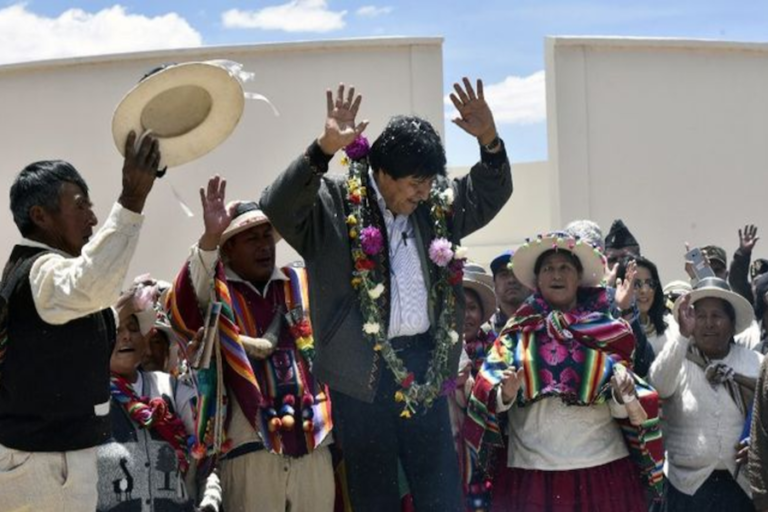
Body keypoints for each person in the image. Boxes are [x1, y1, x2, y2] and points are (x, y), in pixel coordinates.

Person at [260, 78, 512, 512]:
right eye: (415, 182)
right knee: (375, 498)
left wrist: (489, 140)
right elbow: (278, 205)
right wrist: (321, 149)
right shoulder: (335, 202)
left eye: (429, 182)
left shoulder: (436, 207)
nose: (422, 192)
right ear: (381, 172)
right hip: (361, 376)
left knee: (441, 498)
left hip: (426, 371)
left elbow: (490, 193)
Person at [0, 132, 160, 512]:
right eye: (80, 205)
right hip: (40, 468)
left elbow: (83, 307)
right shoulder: (41, 272)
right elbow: (90, 285)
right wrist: (132, 198)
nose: (92, 216)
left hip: (55, 463)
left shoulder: (46, 278)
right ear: (40, 216)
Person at [167, 177, 334, 512]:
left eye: (267, 237)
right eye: (251, 238)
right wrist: (210, 236)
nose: (264, 246)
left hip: (313, 443)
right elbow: (182, 306)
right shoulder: (217, 294)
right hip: (248, 452)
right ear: (228, 250)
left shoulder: (299, 283)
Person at [465, 231, 663, 512]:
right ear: (537, 280)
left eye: (564, 268)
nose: (556, 275)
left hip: (601, 471)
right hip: (531, 473)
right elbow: (486, 391)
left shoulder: (606, 331)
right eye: (548, 269)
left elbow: (623, 406)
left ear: (579, 277)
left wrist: (622, 395)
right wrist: (504, 394)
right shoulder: (515, 333)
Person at [96, 284, 221, 512]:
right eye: (116, 330)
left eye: (133, 328)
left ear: (145, 341)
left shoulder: (169, 387)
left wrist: (201, 375)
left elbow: (206, 440)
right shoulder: (88, 395)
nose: (126, 336)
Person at [649, 277, 762, 511]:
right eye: (700, 316)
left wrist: (758, 443)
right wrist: (682, 335)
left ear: (732, 323)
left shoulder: (756, 364)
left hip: (741, 486)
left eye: (717, 316)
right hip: (685, 487)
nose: (709, 324)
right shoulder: (678, 359)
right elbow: (659, 385)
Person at [625, 256, 674, 356]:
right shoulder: (614, 329)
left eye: (649, 283)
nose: (644, 290)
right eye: (635, 284)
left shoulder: (671, 326)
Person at [488, 250, 531, 334]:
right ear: (494, 284)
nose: (511, 280)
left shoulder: (546, 325)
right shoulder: (486, 332)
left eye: (517, 274)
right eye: (504, 274)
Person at [729, 224, 760, 305]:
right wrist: (743, 253)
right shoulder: (751, 304)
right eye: (756, 282)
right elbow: (737, 281)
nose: (759, 287)